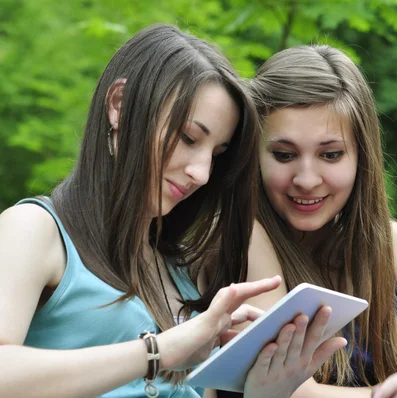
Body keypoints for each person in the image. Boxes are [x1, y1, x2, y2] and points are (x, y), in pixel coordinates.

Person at [0, 25, 347, 398]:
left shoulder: (182, 272)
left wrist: (267, 389)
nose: (201, 173)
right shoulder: (34, 229)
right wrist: (159, 351)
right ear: (119, 104)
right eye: (188, 138)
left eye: (215, 154)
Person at [236, 45, 397, 397]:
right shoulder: (244, 236)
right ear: (252, 154)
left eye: (330, 154)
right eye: (284, 155)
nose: (306, 178)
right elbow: (290, 391)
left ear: (362, 156)